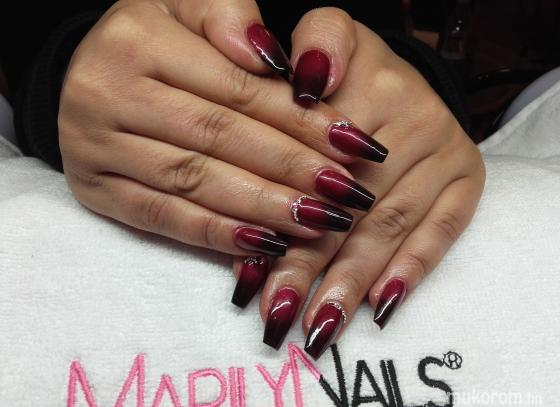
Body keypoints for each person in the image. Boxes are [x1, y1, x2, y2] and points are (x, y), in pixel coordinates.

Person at [0, 0, 484, 360]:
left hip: (364, 124)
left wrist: (415, 90)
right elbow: (27, 49)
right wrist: (69, 81)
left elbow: (384, 32)